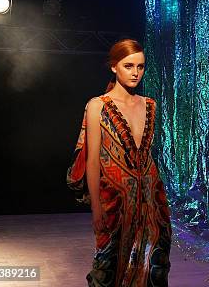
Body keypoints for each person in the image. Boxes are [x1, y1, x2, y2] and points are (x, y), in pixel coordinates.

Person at [66, 38, 172, 286]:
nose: (136, 73)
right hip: (114, 201)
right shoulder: (97, 106)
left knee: (153, 267)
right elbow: (92, 161)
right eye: (128, 66)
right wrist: (96, 207)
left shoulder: (151, 106)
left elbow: (146, 156)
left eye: (141, 66)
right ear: (114, 67)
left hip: (151, 201)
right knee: (108, 268)